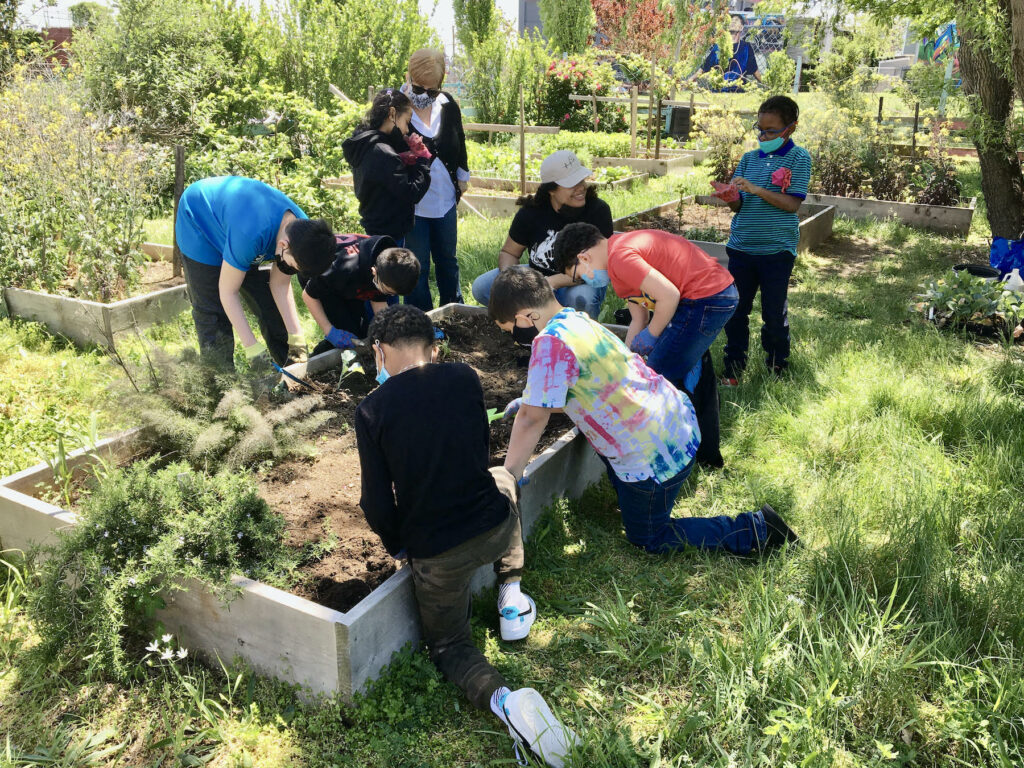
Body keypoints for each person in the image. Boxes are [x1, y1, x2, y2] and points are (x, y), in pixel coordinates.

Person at [354, 305, 578, 768]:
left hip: (438, 553)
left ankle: (504, 702)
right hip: (493, 526)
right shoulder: (464, 378)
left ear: (380, 350)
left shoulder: (372, 409)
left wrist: (401, 547)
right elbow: (478, 453)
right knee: (501, 479)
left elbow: (376, 502)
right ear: (433, 346)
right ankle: (511, 594)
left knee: (451, 647)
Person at [490, 266, 798, 556]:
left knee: (649, 538)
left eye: (510, 329)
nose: (512, 337)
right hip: (678, 424)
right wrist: (534, 398)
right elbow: (588, 385)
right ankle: (637, 498)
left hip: (655, 460)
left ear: (527, 316)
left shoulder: (550, 342)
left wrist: (510, 476)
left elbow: (532, 419)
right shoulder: (577, 320)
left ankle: (756, 529)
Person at [175, 175, 336, 371]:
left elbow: (280, 284)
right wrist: (252, 347)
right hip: (199, 221)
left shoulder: (303, 232)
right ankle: (219, 389)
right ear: (284, 245)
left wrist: (296, 336)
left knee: (267, 304)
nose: (291, 271)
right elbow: (228, 292)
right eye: (292, 265)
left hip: (239, 227)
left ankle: (292, 370)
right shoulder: (250, 236)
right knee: (213, 315)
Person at [550, 223, 738, 390]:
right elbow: (639, 318)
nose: (583, 281)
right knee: (671, 359)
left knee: (658, 375)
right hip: (713, 294)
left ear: (583, 258)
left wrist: (652, 335)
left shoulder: (620, 258)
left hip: (707, 297)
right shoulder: (617, 255)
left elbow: (670, 296)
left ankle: (678, 421)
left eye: (578, 276)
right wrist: (625, 359)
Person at [717, 95, 811, 384]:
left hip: (776, 250)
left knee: (773, 314)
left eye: (771, 131)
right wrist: (730, 197)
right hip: (741, 247)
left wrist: (756, 190)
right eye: (760, 129)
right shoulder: (748, 159)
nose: (763, 136)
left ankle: (776, 367)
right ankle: (734, 368)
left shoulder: (799, 158)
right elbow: (739, 205)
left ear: (790, 129)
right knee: (735, 311)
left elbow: (792, 204)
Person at [471, 150, 613, 320]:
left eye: (581, 179)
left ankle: (576, 331)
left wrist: (550, 283)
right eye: (571, 183)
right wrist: (512, 280)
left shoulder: (598, 211)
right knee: (482, 287)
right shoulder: (531, 213)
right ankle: (533, 320)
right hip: (537, 277)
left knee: (581, 298)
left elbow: (600, 267)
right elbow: (509, 253)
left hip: (581, 280)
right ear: (551, 190)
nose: (580, 187)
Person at [401, 48, 470, 311]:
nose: (425, 96)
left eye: (432, 91)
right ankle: (422, 317)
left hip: (445, 200)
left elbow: (459, 141)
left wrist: (462, 176)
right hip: (414, 205)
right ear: (408, 77)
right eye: (419, 88)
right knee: (417, 265)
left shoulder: (448, 105)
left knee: (448, 260)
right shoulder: (396, 108)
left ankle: (453, 311)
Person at [301, 234, 421, 356]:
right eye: (388, 292)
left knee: (361, 333)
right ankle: (316, 358)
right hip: (319, 278)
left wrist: (391, 333)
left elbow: (378, 302)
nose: (388, 296)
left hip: (352, 282)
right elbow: (308, 295)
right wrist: (330, 331)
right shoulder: (343, 267)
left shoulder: (388, 265)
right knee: (344, 330)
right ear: (374, 272)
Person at [342, 89, 433, 242]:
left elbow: (382, 178)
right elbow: (412, 193)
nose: (406, 129)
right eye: (406, 121)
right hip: (390, 233)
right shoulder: (383, 153)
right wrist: (423, 161)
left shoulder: (366, 144)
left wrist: (402, 160)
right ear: (392, 114)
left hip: (374, 227)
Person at [694, 14, 762, 92]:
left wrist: (769, 86)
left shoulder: (746, 47)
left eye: (736, 21)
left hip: (738, 89)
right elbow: (704, 68)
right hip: (719, 89)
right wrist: (689, 81)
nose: (732, 22)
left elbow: (754, 71)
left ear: (741, 27)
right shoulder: (719, 46)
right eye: (731, 20)